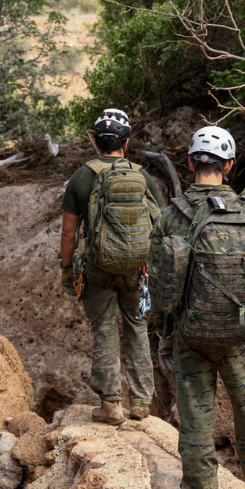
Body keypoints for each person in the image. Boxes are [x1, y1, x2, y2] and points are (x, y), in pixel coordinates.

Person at [148, 125, 245, 489]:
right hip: (244, 335)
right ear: (228, 165)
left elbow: (160, 282)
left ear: (191, 162)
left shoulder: (171, 215)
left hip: (192, 336)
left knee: (195, 420)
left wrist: (163, 332)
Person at [60, 108, 165, 424]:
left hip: (98, 269)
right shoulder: (141, 175)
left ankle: (110, 405)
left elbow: (69, 232)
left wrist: (67, 270)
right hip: (136, 269)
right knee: (136, 327)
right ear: (127, 141)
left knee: (104, 328)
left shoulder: (81, 177)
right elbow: (159, 224)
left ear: (95, 140)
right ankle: (142, 402)